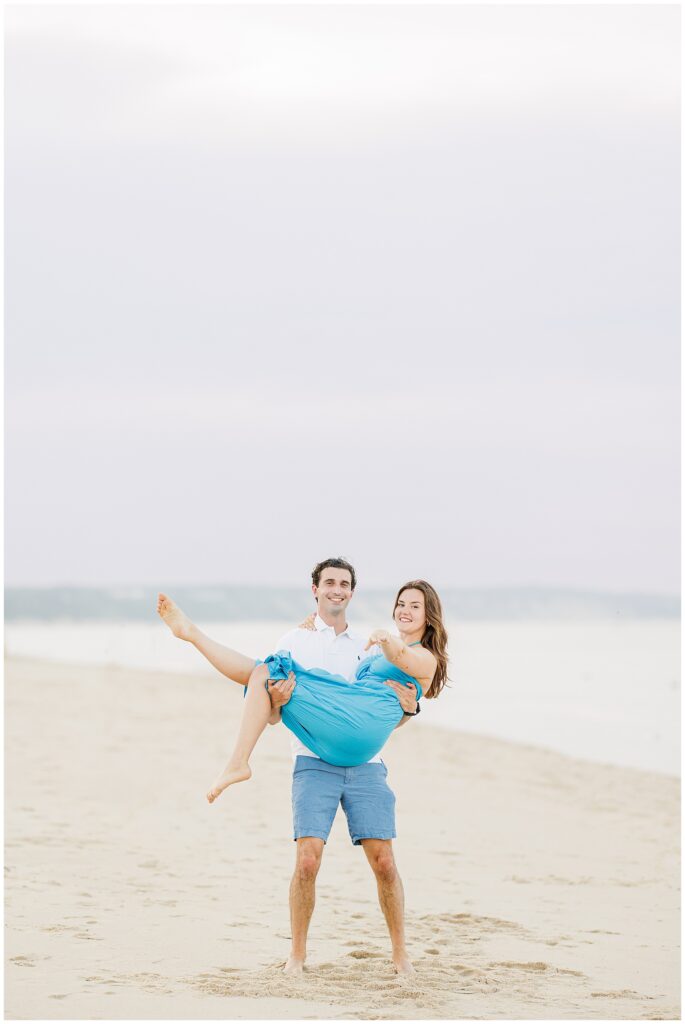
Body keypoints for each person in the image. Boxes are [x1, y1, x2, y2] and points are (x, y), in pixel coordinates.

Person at [157, 557, 449, 976]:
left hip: (366, 760)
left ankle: (401, 955)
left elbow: (390, 703)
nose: (337, 589)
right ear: (315, 589)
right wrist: (276, 699)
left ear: (352, 592)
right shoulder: (294, 639)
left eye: (344, 583)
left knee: (384, 862)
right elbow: (273, 713)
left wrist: (412, 706)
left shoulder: (367, 644)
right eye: (329, 582)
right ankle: (297, 956)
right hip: (315, 755)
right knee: (307, 861)